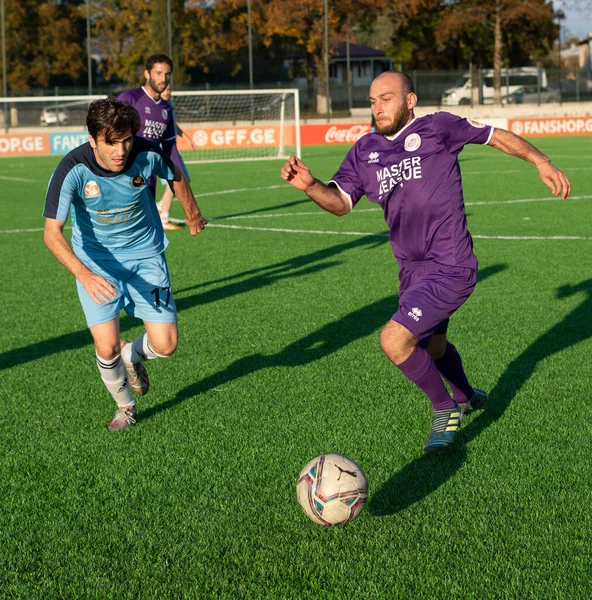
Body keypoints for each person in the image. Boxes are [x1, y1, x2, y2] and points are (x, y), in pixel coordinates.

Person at [280, 71, 571, 453]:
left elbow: (494, 134)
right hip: (411, 270)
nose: (378, 108)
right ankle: (467, 396)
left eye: (386, 98)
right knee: (433, 348)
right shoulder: (364, 151)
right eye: (372, 101)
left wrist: (540, 160)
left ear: (410, 100)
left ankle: (445, 408)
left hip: (451, 264)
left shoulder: (439, 127)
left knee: (394, 340)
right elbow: (340, 204)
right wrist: (312, 186)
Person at [43, 98, 207, 431]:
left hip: (146, 257)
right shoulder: (71, 169)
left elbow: (174, 175)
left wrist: (193, 213)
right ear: (92, 139)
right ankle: (125, 407)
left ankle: (131, 355)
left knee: (166, 345)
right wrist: (85, 275)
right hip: (96, 265)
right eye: (111, 142)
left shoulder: (147, 153)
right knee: (105, 347)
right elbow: (51, 234)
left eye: (126, 140)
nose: (121, 150)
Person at [116, 54, 184, 205]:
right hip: (123, 176)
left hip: (149, 177)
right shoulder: (128, 99)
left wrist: (179, 177)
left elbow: (170, 148)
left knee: (147, 223)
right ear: (147, 74)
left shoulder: (166, 108)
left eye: (167, 74)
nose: (163, 79)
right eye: (158, 73)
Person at [156, 84, 197, 231]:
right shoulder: (157, 106)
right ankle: (163, 217)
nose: (168, 91)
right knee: (173, 181)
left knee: (185, 179)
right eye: (165, 89)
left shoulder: (169, 105)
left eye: (170, 89)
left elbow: (173, 125)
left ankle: (161, 206)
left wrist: (186, 138)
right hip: (162, 149)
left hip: (173, 148)